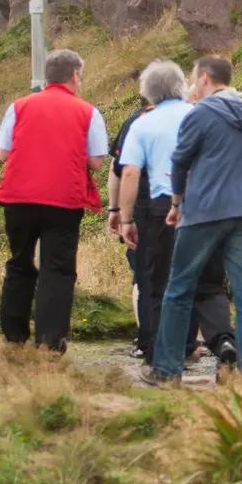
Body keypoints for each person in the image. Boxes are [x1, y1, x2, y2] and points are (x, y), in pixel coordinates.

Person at [144, 56, 242, 385]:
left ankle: (167, 371)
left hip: (203, 213)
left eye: (194, 78)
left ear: (204, 79)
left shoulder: (199, 114)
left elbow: (181, 161)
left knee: (180, 289)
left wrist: (175, 203)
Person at [117, 61, 237, 368]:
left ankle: (163, 360)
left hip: (159, 212)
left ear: (148, 92)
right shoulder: (202, 115)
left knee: (158, 285)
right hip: (207, 208)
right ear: (182, 86)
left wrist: (125, 218)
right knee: (208, 282)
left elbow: (129, 173)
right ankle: (222, 339)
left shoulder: (142, 123)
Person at [0, 48, 109, 350]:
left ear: (47, 77)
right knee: (57, 269)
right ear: (74, 76)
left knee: (19, 262)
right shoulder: (88, 112)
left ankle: (14, 335)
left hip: (18, 197)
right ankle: (49, 341)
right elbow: (97, 161)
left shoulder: (18, 107)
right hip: (63, 199)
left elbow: (3, 153)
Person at [107, 93, 151, 356]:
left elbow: (119, 170)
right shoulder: (187, 115)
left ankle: (145, 340)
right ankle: (189, 341)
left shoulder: (134, 122)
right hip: (181, 207)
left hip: (142, 208)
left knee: (142, 277)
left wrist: (118, 211)